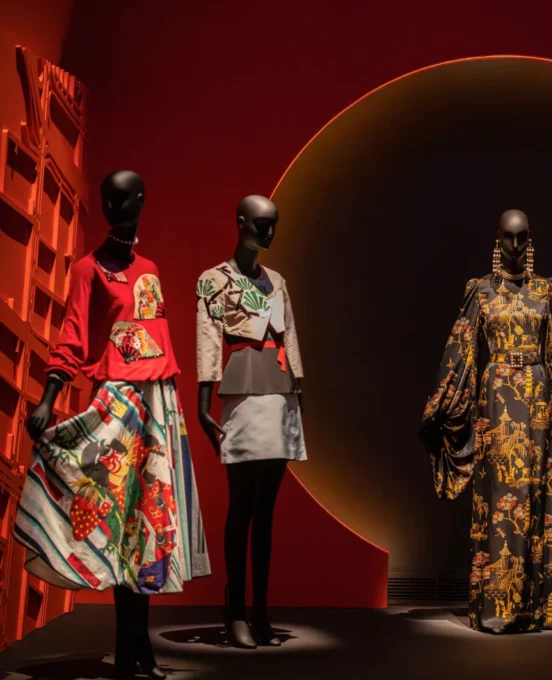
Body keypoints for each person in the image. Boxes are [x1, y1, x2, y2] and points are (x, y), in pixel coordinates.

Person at [15, 170, 209, 679]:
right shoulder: (87, 269)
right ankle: (128, 651)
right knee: (119, 521)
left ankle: (138, 644)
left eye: (126, 197)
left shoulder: (150, 269)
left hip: (159, 407)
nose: (116, 205)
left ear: (141, 202)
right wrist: (49, 395)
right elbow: (73, 334)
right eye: (109, 198)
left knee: (148, 523)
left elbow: (155, 344)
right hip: (119, 407)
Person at [419, 209, 552, 633]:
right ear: (496, 239)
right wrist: (443, 405)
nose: (515, 246)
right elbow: (461, 351)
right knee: (499, 495)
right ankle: (496, 609)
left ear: (531, 240)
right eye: (508, 237)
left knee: (534, 496)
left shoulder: (546, 290)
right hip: (496, 397)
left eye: (522, 237)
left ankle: (535, 608)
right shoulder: (480, 291)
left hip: (538, 399)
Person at [196, 195, 306, 648]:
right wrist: (203, 401)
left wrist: (300, 393)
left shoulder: (277, 281)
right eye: (261, 223)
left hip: (280, 397)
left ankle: (260, 610)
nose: (268, 232)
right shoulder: (214, 281)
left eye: (273, 224)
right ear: (241, 221)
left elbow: (291, 337)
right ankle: (234, 612)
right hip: (241, 395)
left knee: (267, 513)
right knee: (241, 506)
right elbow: (207, 337)